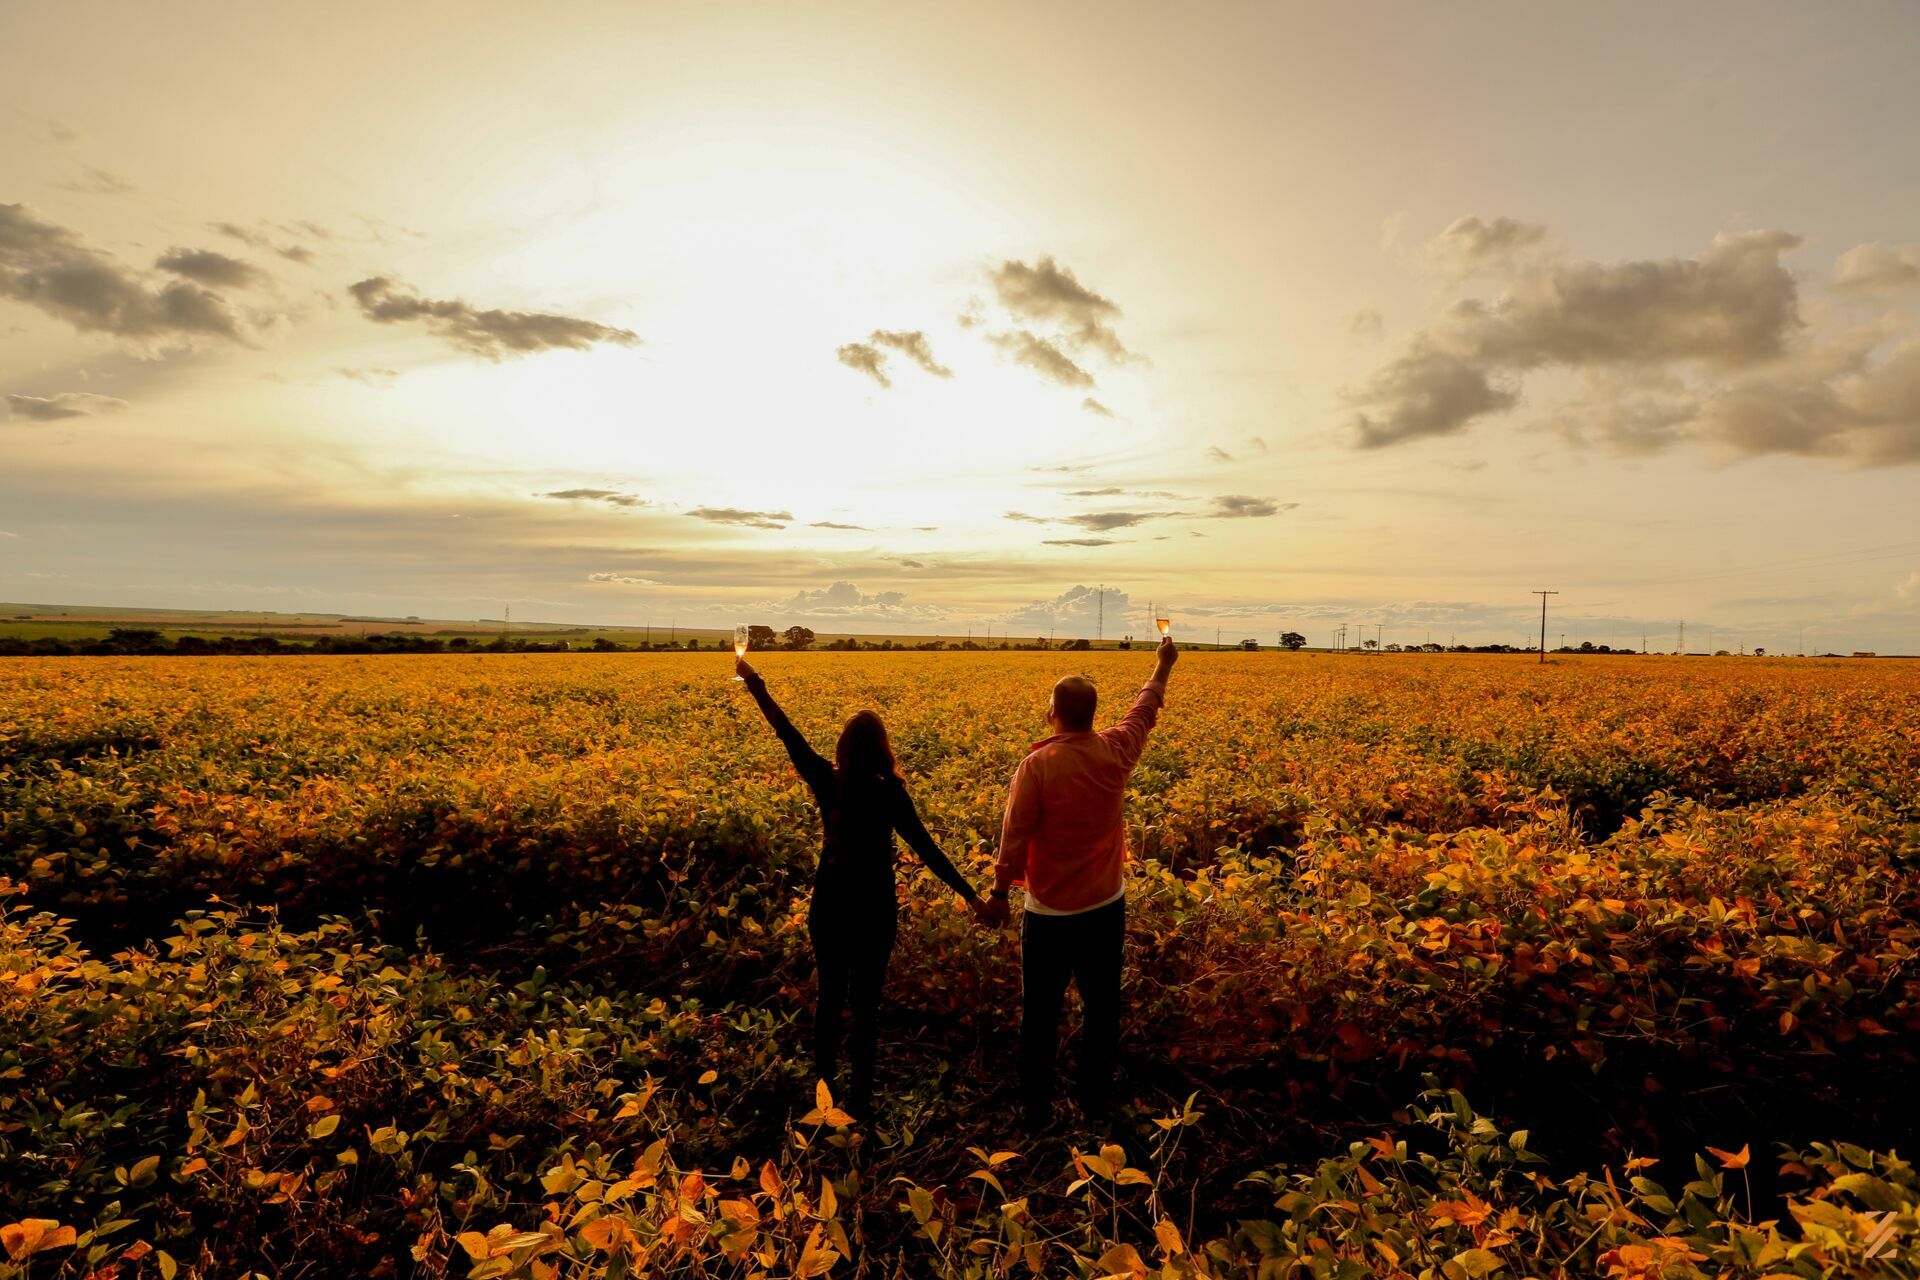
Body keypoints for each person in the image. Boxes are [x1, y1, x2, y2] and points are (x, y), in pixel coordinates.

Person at [737, 655, 989, 1118]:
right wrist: (972, 896)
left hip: (830, 902)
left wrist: (754, 681)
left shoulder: (826, 780)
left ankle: (824, 1094)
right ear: (883, 748)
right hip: (875, 908)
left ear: (843, 747)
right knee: (868, 1004)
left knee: (830, 997)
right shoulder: (890, 792)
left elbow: (785, 730)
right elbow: (928, 849)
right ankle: (861, 1101)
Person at [981, 634, 1178, 1128]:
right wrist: (1162, 666)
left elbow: (1014, 835)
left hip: (1048, 913)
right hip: (1105, 906)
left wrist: (999, 893)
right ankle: (1094, 1103)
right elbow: (1144, 711)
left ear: (1054, 712)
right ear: (1091, 713)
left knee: (1041, 1013)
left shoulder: (1038, 765)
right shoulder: (1115, 752)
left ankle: (1036, 1110)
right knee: (1102, 1009)